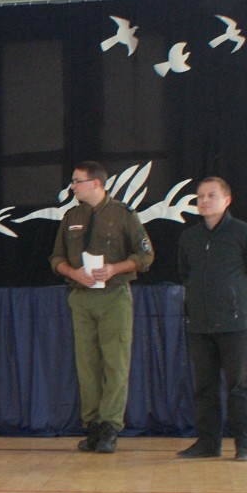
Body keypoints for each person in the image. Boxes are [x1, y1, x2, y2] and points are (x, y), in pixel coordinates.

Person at [49, 161, 154, 453]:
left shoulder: (123, 214)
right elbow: (56, 258)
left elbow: (145, 256)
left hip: (114, 296)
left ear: (95, 183)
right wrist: (73, 273)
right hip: (81, 297)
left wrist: (114, 268)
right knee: (87, 365)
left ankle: (110, 427)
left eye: (77, 181)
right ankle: (93, 425)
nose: (72, 186)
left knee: (115, 364)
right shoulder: (71, 216)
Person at [175, 176, 247, 461]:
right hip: (199, 325)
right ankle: (208, 443)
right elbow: (185, 274)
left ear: (226, 200)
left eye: (211, 195)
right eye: (200, 196)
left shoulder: (245, 234)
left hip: (235, 325)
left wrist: (240, 305)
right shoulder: (190, 238)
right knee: (204, 387)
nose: (204, 201)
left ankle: (244, 445)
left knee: (238, 385)